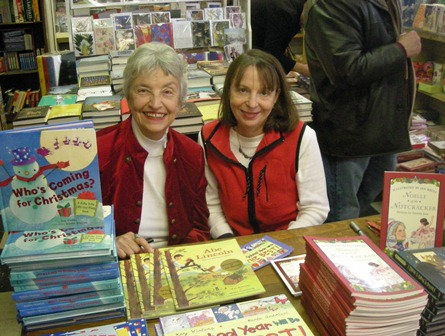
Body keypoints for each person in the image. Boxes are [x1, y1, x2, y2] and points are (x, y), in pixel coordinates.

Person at [303, 0, 422, 222]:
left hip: (382, 125)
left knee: (362, 208)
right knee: (342, 215)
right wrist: (401, 49)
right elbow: (346, 70)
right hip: (350, 132)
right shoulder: (329, 5)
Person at [199, 49, 329, 238]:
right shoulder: (209, 137)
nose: (252, 103)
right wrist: (226, 238)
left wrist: (281, 243)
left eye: (264, 93)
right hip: (233, 242)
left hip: (288, 240)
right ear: (228, 92)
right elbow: (211, 203)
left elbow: (315, 208)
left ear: (276, 97)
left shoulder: (302, 137)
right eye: (242, 90)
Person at [97, 42, 210, 259]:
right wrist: (109, 241)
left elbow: (200, 228)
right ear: (128, 96)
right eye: (143, 91)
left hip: (177, 264)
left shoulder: (191, 153)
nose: (156, 103)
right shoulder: (99, 150)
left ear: (180, 101)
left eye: (167, 92)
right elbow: (75, 230)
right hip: (117, 266)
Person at [251, 0, 309, 77]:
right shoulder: (285, 10)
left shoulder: (295, 10)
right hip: (249, 52)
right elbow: (271, 54)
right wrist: (303, 69)